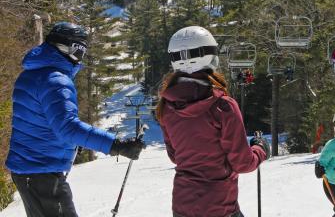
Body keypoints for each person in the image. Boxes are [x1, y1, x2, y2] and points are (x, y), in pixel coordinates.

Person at [5, 22, 145, 217]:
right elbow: (68, 127)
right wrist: (116, 145)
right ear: (68, 48)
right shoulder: (55, 80)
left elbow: (42, 122)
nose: (80, 60)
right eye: (80, 52)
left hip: (31, 169)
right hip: (41, 171)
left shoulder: (31, 74)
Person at [157, 26, 269, 217]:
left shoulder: (168, 106)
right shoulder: (222, 106)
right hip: (220, 205)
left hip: (183, 205)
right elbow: (242, 163)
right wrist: (260, 150)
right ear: (211, 56)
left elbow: (176, 156)